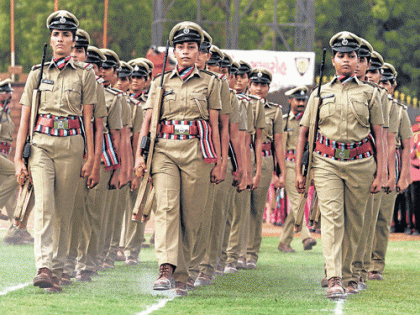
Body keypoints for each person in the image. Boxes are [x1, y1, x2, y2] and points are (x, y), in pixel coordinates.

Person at [134, 21, 222, 297]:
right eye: (181, 47)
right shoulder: (160, 82)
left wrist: (218, 161)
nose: (185, 51)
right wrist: (139, 155)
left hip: (197, 150)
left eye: (191, 47)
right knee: (167, 208)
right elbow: (147, 122)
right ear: (173, 51)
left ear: (199, 52)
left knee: (191, 215)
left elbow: (217, 124)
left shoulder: (211, 83)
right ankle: (166, 267)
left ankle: (185, 274)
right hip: (165, 150)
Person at [295, 31, 384, 299]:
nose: (346, 60)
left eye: (351, 56)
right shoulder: (319, 94)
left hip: (361, 163)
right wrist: (301, 171)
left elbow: (380, 135)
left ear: (358, 60)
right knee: (333, 220)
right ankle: (334, 277)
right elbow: (304, 133)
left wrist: (382, 172)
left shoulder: (370, 94)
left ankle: (349, 275)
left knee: (355, 223)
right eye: (341, 56)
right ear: (333, 60)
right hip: (326, 163)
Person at [14, 10, 97, 293]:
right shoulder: (37, 74)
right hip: (41, 145)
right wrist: (18, 159)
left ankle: (59, 268)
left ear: (73, 41)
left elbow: (90, 121)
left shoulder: (86, 75)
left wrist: (93, 159)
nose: (60, 39)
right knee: (46, 205)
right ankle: (44, 266)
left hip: (72, 145)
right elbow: (25, 120)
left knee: (64, 210)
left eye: (66, 35)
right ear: (50, 39)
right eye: (56, 34)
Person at [62, 29, 107, 285]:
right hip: (63, 150)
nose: (75, 54)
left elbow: (98, 125)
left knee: (86, 214)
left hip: (86, 155)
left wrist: (94, 160)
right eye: (73, 48)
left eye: (80, 50)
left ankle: (85, 264)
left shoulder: (93, 83)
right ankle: (65, 264)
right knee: (66, 211)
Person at [368, 62, 413, 281]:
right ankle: (358, 262)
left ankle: (376, 264)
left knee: (382, 218)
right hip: (364, 160)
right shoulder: (364, 102)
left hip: (388, 165)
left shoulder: (398, 109)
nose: (382, 85)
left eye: (387, 82)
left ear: (393, 86)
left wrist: (403, 175)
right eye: (379, 79)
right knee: (361, 217)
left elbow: (406, 144)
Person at [246, 68, 286, 269]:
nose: (259, 88)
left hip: (265, 157)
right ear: (249, 85)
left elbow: (279, 143)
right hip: (243, 158)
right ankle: (234, 251)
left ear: (269, 88)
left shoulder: (275, 110)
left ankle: (251, 253)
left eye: (263, 85)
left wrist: (282, 171)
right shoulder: (241, 104)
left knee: (256, 208)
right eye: (256, 84)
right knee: (238, 208)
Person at [278, 86, 317, 253]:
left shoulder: (310, 120)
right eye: (297, 100)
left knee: (296, 204)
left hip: (306, 165)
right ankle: (306, 237)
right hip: (288, 164)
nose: (301, 103)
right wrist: (278, 172)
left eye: (303, 100)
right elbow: (278, 147)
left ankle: (284, 242)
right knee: (297, 201)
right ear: (290, 100)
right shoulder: (285, 120)